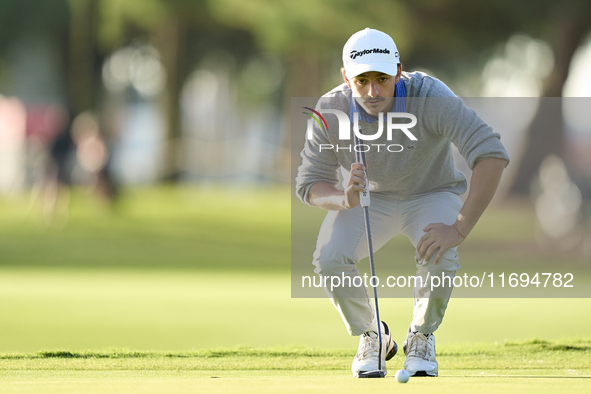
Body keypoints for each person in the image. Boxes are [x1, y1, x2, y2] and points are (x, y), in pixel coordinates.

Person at [295, 28, 509, 378]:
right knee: (329, 256)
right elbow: (310, 183)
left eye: (382, 78)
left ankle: (421, 336)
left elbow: (492, 155)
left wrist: (459, 228)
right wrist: (343, 198)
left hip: (430, 192)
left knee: (440, 251)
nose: (373, 91)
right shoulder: (331, 108)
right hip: (367, 199)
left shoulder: (430, 96)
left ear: (398, 71)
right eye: (362, 80)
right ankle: (373, 336)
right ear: (346, 77)